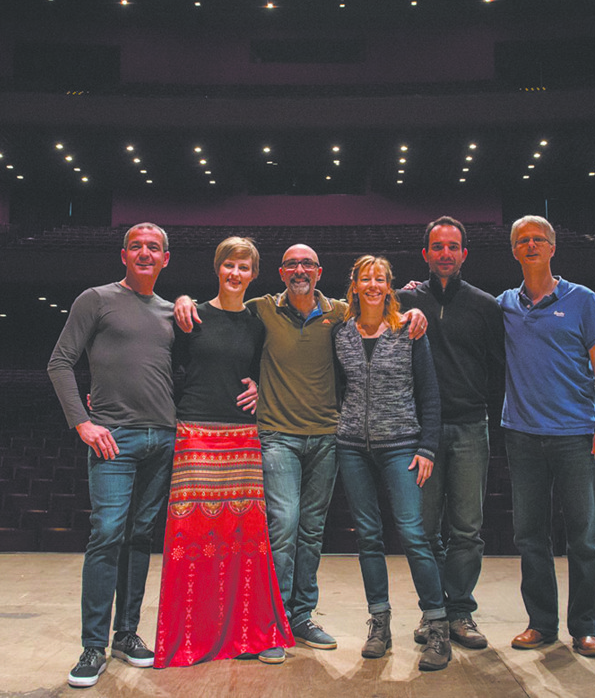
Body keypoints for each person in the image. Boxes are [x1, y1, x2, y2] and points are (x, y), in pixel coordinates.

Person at [175, 244, 427, 653]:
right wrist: (183, 300)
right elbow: (221, 307)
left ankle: (301, 616)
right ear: (280, 271)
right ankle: (270, 623)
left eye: (307, 263)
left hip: (328, 435)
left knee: (311, 532)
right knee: (285, 525)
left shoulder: (342, 312)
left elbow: (381, 306)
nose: (300, 269)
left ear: (319, 271)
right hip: (277, 434)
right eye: (292, 263)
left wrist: (414, 308)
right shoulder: (262, 308)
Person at [47, 223, 178, 688]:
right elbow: (60, 361)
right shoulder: (96, 299)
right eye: (137, 246)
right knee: (106, 533)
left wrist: (251, 383)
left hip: (163, 438)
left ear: (166, 258)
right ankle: (92, 645)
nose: (145, 253)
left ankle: (127, 634)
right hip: (113, 439)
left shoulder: (169, 311)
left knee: (140, 536)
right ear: (124, 254)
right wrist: (82, 421)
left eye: (154, 247)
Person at [154, 237, 293, 667]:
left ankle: (251, 631)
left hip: (242, 437)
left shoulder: (256, 321)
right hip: (195, 433)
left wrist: (258, 386)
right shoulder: (190, 314)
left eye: (244, 267)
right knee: (192, 541)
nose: (236, 273)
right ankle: (194, 636)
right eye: (229, 265)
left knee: (246, 543)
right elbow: (167, 367)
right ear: (218, 268)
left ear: (254, 274)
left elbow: (265, 369)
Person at [498, 215, 595, 659]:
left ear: (552, 247)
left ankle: (585, 627)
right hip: (523, 437)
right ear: (514, 251)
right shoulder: (504, 304)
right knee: (530, 536)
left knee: (583, 537)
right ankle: (541, 624)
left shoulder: (583, 300)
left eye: (539, 239)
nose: (531, 245)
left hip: (576, 436)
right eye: (522, 240)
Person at [333, 255, 451, 671]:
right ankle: (379, 623)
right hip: (351, 447)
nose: (372, 284)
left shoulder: (409, 330)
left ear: (389, 286)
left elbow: (430, 394)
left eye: (379, 278)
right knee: (368, 537)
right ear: (355, 285)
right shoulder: (342, 332)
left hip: (402, 445)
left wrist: (427, 447)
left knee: (413, 535)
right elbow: (335, 388)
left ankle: (438, 624)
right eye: (365, 277)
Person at [396, 216, 504, 650]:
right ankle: (433, 611)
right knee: (423, 531)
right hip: (419, 431)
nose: (445, 253)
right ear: (425, 254)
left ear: (464, 254)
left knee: (467, 530)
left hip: (468, 427)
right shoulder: (402, 299)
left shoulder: (485, 305)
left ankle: (459, 611)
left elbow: (498, 368)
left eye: (453, 247)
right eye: (437, 247)